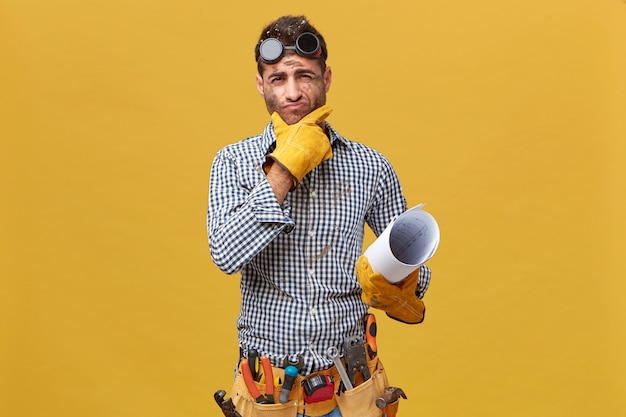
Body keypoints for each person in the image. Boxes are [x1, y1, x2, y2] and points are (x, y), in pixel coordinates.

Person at [207, 15, 432, 417]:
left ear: (326, 78)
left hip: (352, 391)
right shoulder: (234, 162)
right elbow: (225, 253)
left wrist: (395, 279)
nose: (293, 92)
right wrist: (285, 168)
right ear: (261, 84)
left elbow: (420, 274)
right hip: (269, 395)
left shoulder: (369, 166)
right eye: (278, 79)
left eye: (305, 76)